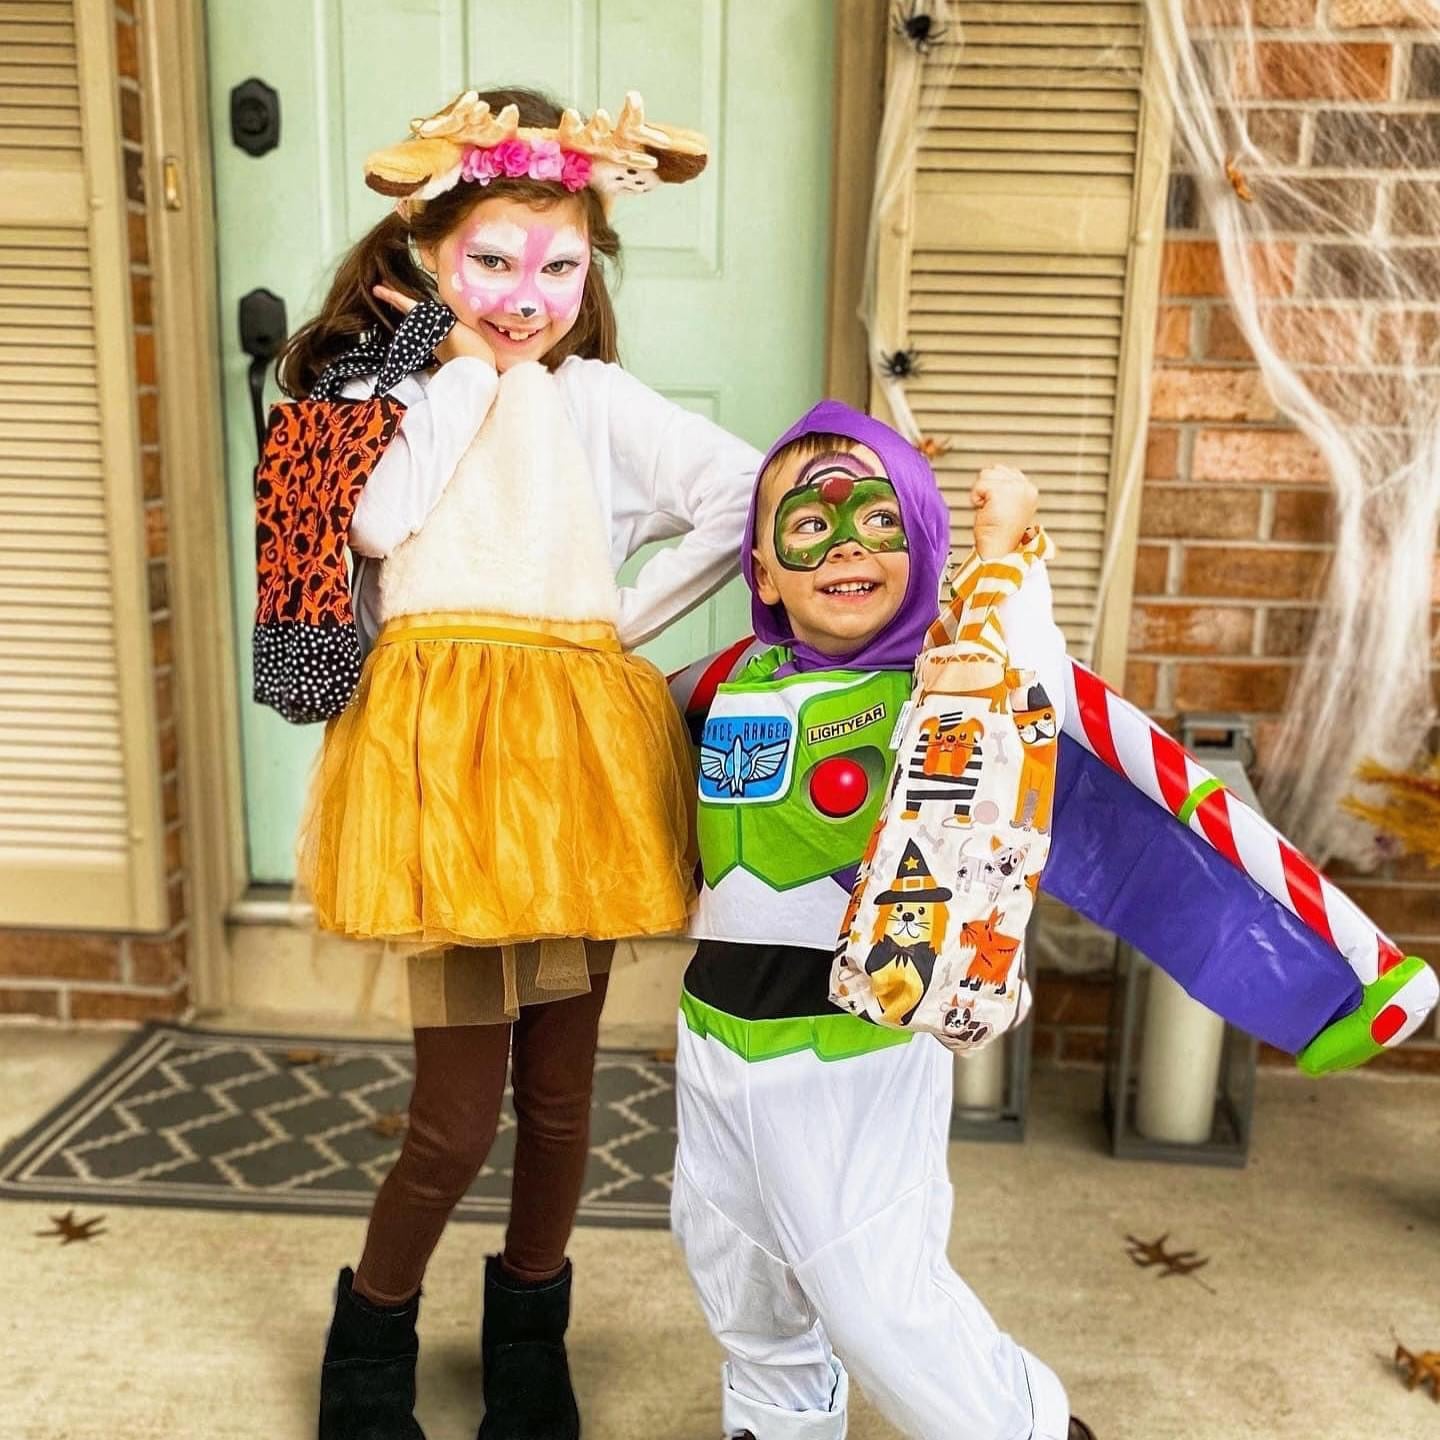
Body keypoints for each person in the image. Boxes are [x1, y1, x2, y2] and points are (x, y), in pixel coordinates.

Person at [272, 86, 761, 1440]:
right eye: (492, 260)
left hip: (577, 777)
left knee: (560, 1103)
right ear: (430, 255)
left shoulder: (600, 403)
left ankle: (528, 1337)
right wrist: (459, 369)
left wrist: (622, 620)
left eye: (558, 265)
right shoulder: (406, 392)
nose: (527, 294)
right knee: (450, 1120)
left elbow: (743, 496)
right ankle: (367, 1338)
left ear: (591, 263)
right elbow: (374, 524)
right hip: (440, 779)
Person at [668, 400, 1093, 1440]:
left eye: (881, 520)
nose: (848, 542)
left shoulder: (940, 684)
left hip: (855, 1037)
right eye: (810, 526)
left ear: (927, 547)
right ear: (763, 569)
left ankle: (1022, 1430)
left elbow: (1030, 704)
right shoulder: (731, 677)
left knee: (873, 1296)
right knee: (741, 1277)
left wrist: (1010, 556)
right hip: (717, 1031)